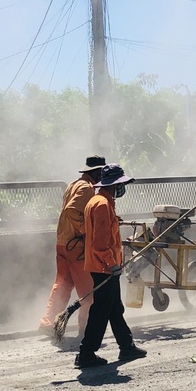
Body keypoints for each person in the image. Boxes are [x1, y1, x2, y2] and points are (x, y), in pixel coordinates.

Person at [76, 163, 147, 368]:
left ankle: (126, 346)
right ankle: (86, 353)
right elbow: (99, 244)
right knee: (101, 312)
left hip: (104, 265)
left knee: (115, 308)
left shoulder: (100, 202)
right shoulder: (101, 205)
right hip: (104, 266)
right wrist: (111, 264)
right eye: (120, 184)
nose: (121, 188)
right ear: (113, 185)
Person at [38, 155, 106, 336]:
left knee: (62, 285)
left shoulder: (74, 184)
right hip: (75, 246)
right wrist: (86, 231)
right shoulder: (86, 188)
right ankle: (87, 329)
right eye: (101, 172)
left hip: (63, 243)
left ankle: (48, 322)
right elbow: (71, 210)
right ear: (97, 172)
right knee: (88, 290)